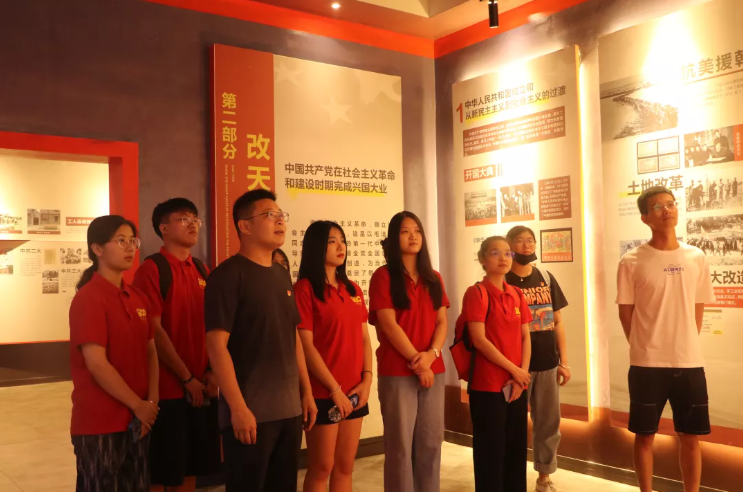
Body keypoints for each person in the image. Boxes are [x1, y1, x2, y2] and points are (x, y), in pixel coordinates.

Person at [204, 189, 318, 491]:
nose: (280, 221)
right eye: (270, 215)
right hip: (250, 414)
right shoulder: (227, 276)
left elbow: (292, 336)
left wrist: (306, 392)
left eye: (281, 215)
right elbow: (216, 346)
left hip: (289, 410)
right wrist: (238, 408)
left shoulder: (281, 275)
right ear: (244, 225)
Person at [617, 186, 715, 492]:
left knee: (690, 437)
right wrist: (643, 345)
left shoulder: (695, 256)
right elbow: (625, 312)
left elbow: (698, 307)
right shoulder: (632, 260)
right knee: (645, 435)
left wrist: (684, 342)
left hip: (689, 363)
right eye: (657, 207)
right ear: (645, 217)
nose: (666, 210)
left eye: (670, 204)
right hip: (647, 364)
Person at [132, 198, 220, 492]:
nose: (193, 224)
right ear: (164, 228)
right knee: (162, 472)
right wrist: (186, 377)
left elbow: (213, 327)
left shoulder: (202, 269)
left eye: (195, 219)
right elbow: (154, 330)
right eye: (184, 218)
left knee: (191, 468)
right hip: (168, 390)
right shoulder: (152, 269)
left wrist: (211, 371)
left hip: (201, 387)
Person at [69, 215, 159, 491]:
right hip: (100, 423)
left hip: (138, 419)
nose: (130, 247)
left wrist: (151, 404)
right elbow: (97, 364)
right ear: (97, 248)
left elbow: (151, 353)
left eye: (132, 240)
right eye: (121, 241)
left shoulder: (137, 297)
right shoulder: (89, 298)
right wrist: (138, 405)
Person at [368, 211, 449, 492]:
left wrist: (432, 355)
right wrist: (419, 361)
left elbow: (442, 322)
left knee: (431, 443)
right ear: (394, 237)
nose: (413, 236)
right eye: (405, 231)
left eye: (417, 230)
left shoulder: (434, 278)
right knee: (400, 446)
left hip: (433, 369)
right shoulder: (383, 276)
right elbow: (389, 325)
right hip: (397, 371)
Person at [295, 220, 373, 492]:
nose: (341, 246)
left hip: (355, 391)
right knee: (322, 467)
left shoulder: (353, 289)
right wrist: (334, 390)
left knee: (345, 466)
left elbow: (365, 339)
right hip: (323, 392)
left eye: (342, 240)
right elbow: (306, 346)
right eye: (332, 241)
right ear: (317, 246)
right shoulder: (305, 289)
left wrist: (367, 380)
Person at [462, 236, 532, 492]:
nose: (503, 258)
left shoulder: (516, 294)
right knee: (490, 453)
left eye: (507, 253)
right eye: (495, 253)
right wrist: (515, 371)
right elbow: (479, 340)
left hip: (517, 385)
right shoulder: (476, 293)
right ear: (482, 259)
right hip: (488, 386)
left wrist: (522, 375)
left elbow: (525, 337)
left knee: (516, 450)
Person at [506, 226, 570, 492]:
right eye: (520, 241)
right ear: (509, 246)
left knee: (548, 424)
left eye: (530, 241)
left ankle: (544, 476)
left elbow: (558, 321)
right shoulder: (503, 279)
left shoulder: (545, 277)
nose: (526, 246)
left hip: (547, 363)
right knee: (512, 425)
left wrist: (564, 361)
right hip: (514, 366)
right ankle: (511, 477)